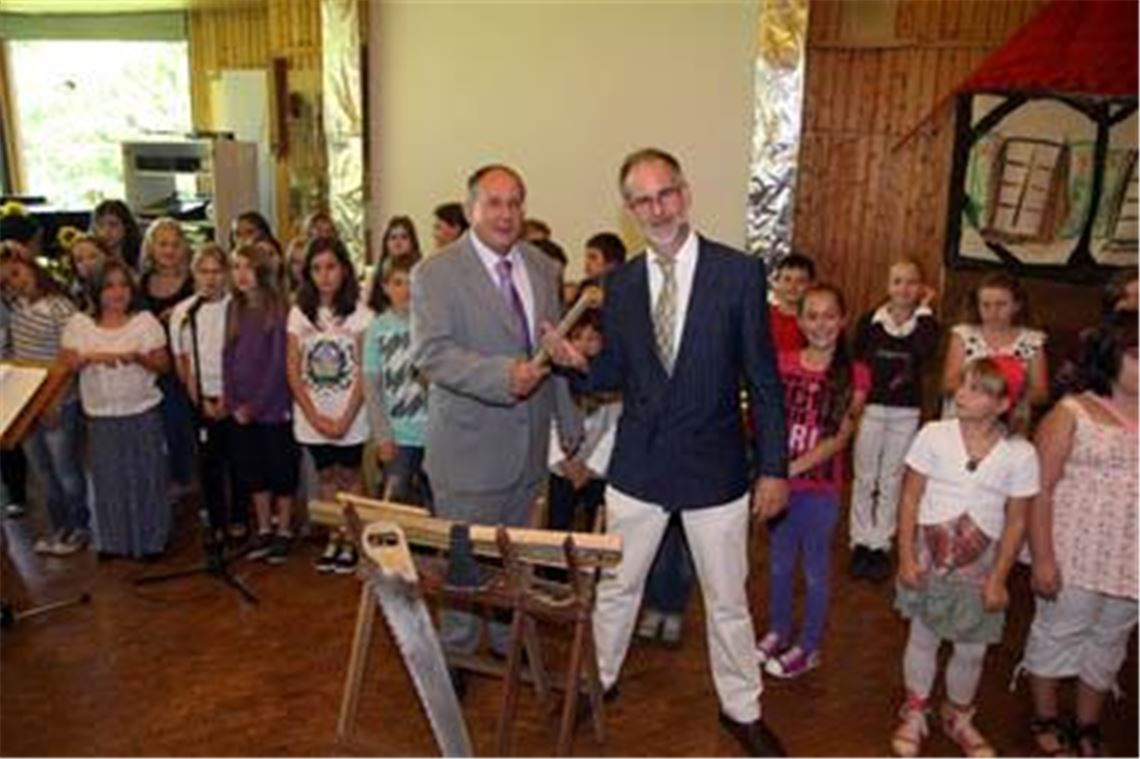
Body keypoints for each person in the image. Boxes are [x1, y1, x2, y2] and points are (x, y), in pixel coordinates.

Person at [542, 148, 789, 756]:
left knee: (728, 598)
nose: (658, 208)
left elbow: (762, 378)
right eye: (644, 200)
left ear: (686, 192)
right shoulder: (620, 285)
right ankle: (597, 683)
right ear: (629, 210)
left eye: (666, 193)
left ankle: (742, 709)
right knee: (618, 589)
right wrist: (579, 366)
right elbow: (616, 373)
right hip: (641, 465)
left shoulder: (738, 273)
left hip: (717, 468)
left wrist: (776, 469)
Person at [411, 164, 579, 686]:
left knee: (517, 560)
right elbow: (432, 354)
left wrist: (568, 428)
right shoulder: (435, 273)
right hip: (468, 451)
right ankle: (457, 653)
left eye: (515, 203)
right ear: (470, 211)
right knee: (465, 564)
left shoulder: (540, 267)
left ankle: (510, 644)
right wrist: (502, 377)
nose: (506, 214)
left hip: (529, 448)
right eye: (494, 203)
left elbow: (550, 352)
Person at [890, 357, 1039, 758]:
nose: (962, 393)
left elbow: (1016, 521)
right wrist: (905, 556)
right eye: (963, 384)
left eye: (977, 389)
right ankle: (915, 709)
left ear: (1003, 405)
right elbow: (909, 498)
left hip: (982, 564)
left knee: (971, 646)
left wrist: (998, 579)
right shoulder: (934, 435)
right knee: (923, 635)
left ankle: (958, 714)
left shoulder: (1020, 454)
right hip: (930, 554)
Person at [1020, 310, 1137, 758]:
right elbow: (1041, 490)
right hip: (1075, 552)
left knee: (1110, 641)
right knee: (1059, 633)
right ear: (1110, 358)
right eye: (1136, 356)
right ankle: (1046, 715)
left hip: (1130, 557)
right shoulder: (1072, 412)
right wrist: (1044, 557)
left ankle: (1087, 723)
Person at [758, 283, 869, 679]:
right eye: (812, 315)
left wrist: (786, 470)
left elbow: (839, 438)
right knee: (779, 565)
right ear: (800, 321)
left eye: (828, 315)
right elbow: (767, 420)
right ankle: (778, 630)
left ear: (841, 320)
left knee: (815, 570)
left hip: (819, 488)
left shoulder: (855, 374)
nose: (820, 323)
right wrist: (769, 471)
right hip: (780, 485)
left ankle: (809, 645)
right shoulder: (783, 361)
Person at [60, 259, 171, 560]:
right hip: (101, 415)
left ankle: (150, 541)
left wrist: (138, 358)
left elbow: (163, 365)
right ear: (96, 291)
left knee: (146, 476)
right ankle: (113, 540)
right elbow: (68, 362)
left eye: (123, 285)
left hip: (141, 411)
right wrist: (91, 357)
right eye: (109, 286)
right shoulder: (79, 324)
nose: (117, 292)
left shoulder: (146, 321)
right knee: (109, 479)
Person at [849, 259, 940, 581]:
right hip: (872, 408)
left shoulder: (926, 325)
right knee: (865, 476)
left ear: (921, 288)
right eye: (898, 281)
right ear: (888, 286)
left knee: (891, 478)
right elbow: (858, 361)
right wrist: (857, 397)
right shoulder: (871, 323)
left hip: (905, 412)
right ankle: (859, 540)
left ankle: (880, 544)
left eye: (912, 282)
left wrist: (925, 309)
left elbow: (924, 351)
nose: (904, 289)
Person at [287, 237, 371, 574]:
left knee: (350, 477)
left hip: (350, 414)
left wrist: (345, 419)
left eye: (331, 267)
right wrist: (315, 416)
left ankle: (353, 540)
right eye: (317, 268)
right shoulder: (299, 313)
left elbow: (365, 371)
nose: (325, 275)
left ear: (345, 269)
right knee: (326, 477)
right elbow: (293, 369)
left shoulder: (362, 315)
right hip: (314, 416)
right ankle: (334, 538)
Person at [0, 249, 88, 555]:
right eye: (5, 280)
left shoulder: (59, 307)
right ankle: (59, 527)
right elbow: (18, 355)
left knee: (66, 469)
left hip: (58, 401)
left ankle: (79, 527)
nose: (14, 283)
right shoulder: (16, 308)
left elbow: (70, 359)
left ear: (31, 268)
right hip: (28, 402)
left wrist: (55, 400)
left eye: (16, 273)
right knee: (43, 472)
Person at [225, 244, 299, 565]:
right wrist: (232, 400)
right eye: (236, 267)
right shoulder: (234, 309)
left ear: (262, 271)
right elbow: (226, 356)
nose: (240, 274)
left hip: (271, 408)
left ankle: (283, 528)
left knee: (279, 468)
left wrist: (255, 405)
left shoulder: (277, 310)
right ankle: (264, 527)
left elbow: (276, 366)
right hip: (241, 408)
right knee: (253, 470)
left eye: (247, 267)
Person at [169, 244, 241, 538]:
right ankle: (215, 516)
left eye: (216, 271)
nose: (210, 279)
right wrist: (199, 399)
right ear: (193, 274)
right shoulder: (184, 312)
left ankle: (238, 515)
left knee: (236, 459)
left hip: (232, 395)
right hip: (200, 396)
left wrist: (228, 397)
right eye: (204, 272)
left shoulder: (235, 306)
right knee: (208, 460)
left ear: (226, 274)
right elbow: (183, 360)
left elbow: (240, 356)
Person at [363, 256, 430, 506]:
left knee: (434, 500)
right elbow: (371, 387)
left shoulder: (431, 325)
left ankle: (436, 547)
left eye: (413, 283)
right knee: (397, 498)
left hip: (433, 433)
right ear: (385, 287)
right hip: (397, 435)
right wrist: (382, 435)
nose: (407, 290)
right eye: (398, 283)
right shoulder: (377, 329)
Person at [140, 218, 196, 495]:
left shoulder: (193, 281)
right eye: (162, 244)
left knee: (182, 426)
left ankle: (187, 480)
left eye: (175, 244)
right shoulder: (142, 283)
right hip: (151, 366)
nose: (169, 250)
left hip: (185, 365)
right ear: (151, 248)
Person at [942, 272, 1048, 414]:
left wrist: (1004, 399)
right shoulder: (963, 335)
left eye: (1001, 305)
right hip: (964, 413)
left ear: (1016, 305)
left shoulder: (1033, 341)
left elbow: (1040, 393)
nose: (993, 311)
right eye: (986, 305)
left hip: (1009, 416)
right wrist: (978, 397)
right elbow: (949, 383)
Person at [767, 253, 814, 353]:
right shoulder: (763, 317)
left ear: (811, 286)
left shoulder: (814, 321)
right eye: (787, 279)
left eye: (801, 281)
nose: (793, 286)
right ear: (777, 282)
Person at [63, 233, 109, 313]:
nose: (86, 263)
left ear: (107, 256)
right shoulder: (74, 294)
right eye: (79, 260)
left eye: (93, 256)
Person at [91, 200, 143, 271]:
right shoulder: (93, 261)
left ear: (126, 226)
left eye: (113, 224)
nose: (106, 231)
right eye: (101, 225)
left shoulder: (141, 257)